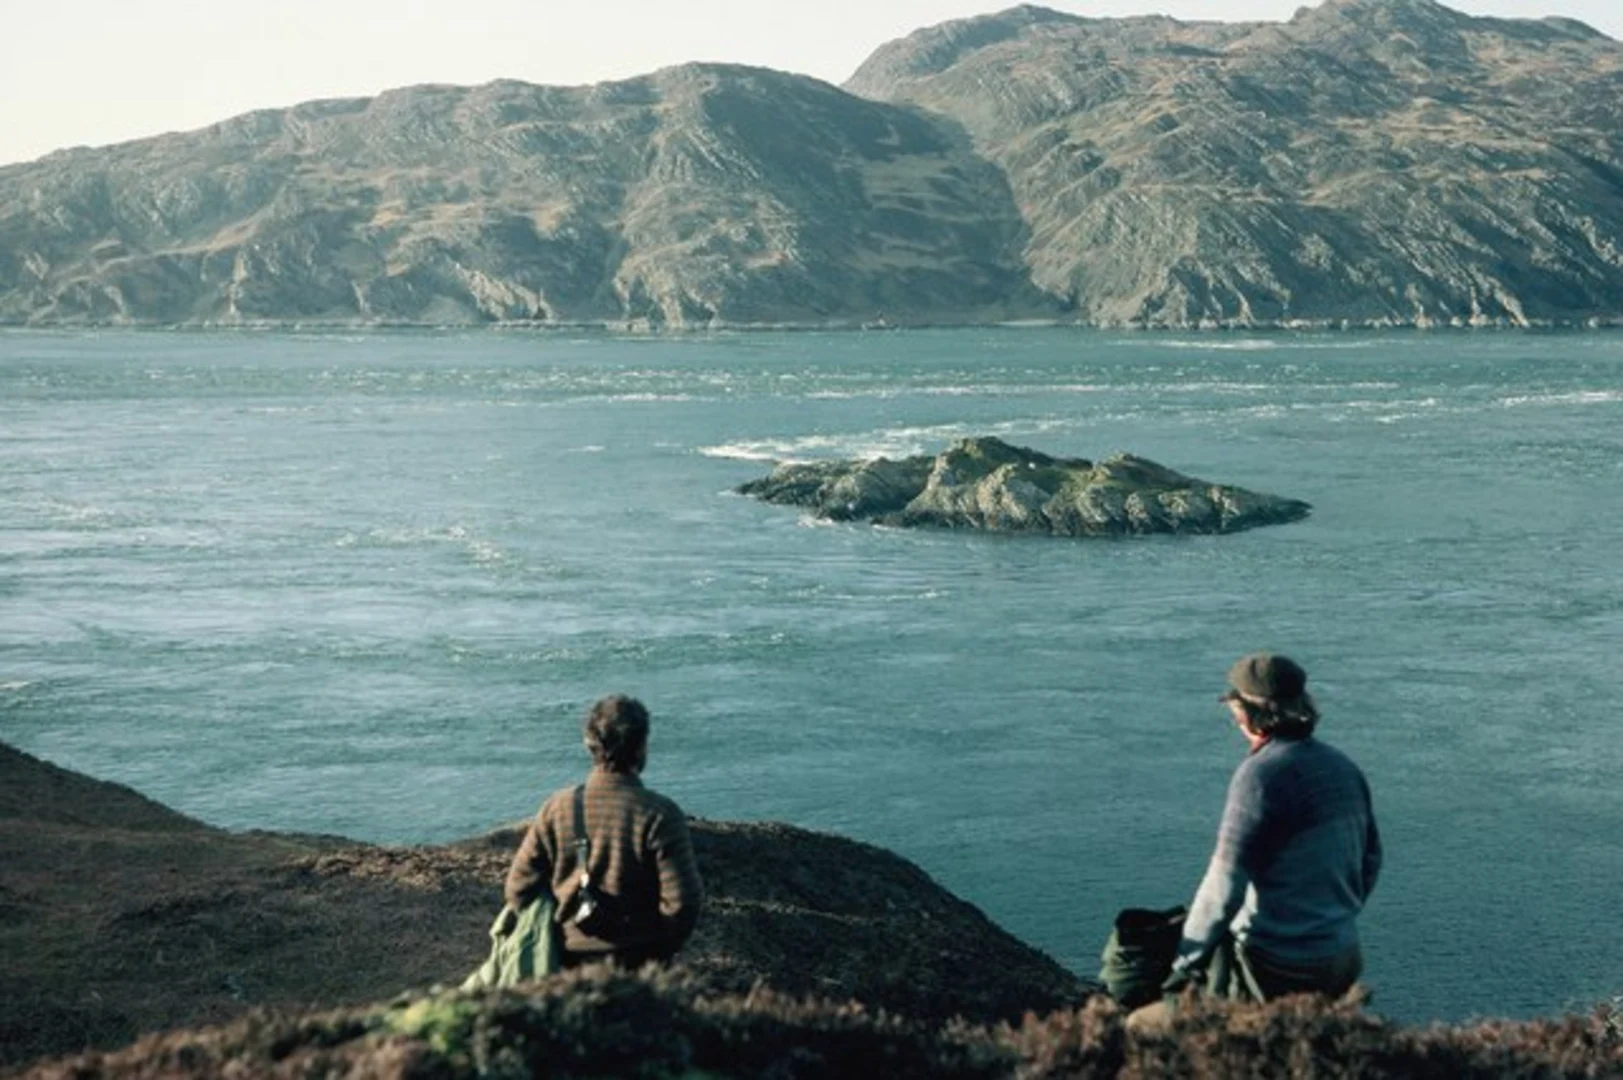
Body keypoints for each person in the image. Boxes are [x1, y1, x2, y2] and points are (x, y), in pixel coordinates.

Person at [1147, 653, 1382, 1017]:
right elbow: (1371, 860)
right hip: (1342, 955)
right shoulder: (1343, 767)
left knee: (1142, 1026)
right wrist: (1329, 922)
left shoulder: (1260, 777)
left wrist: (1184, 961)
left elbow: (1223, 888)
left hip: (1277, 967)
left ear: (1247, 715)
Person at [504, 694, 703, 969]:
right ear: (641, 747)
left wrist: (550, 937)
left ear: (589, 745)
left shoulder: (558, 808)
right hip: (638, 964)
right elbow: (683, 903)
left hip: (567, 965)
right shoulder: (660, 814)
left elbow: (518, 888)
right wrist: (659, 951)